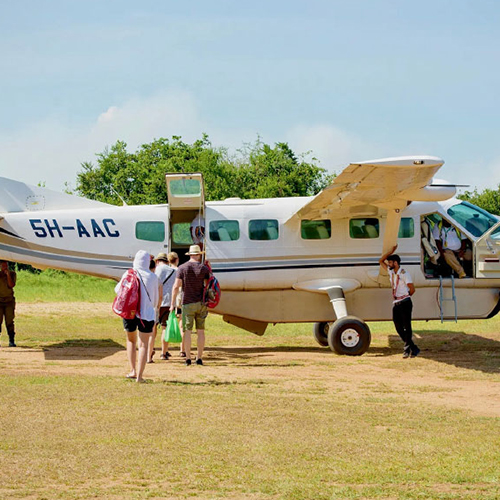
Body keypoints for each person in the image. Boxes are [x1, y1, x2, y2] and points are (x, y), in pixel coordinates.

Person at [115, 250, 159, 383]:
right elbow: (155, 299)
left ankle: (132, 370)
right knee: (143, 344)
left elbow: (117, 290)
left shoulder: (128, 273)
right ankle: (140, 376)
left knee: (131, 341)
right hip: (146, 314)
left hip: (129, 312)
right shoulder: (152, 277)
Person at [170, 244, 210, 366]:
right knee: (201, 331)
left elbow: (176, 286)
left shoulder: (182, 268)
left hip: (187, 302)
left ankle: (188, 358)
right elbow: (208, 285)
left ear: (190, 254)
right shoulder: (204, 269)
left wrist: (172, 304)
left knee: (187, 331)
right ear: (199, 255)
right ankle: (199, 358)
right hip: (201, 303)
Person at [379, 245, 420, 359]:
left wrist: (405, 297)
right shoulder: (391, 272)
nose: (389, 264)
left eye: (391, 262)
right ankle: (414, 347)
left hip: (405, 301)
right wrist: (390, 251)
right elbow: (380, 261)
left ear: (396, 263)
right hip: (396, 302)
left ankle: (407, 349)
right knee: (398, 326)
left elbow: (412, 289)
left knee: (407, 326)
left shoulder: (404, 273)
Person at [152, 252, 178, 361]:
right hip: (167, 302)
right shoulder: (173, 271)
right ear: (167, 261)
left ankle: (150, 351)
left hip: (155, 302)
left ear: (157, 261)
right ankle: (164, 352)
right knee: (164, 328)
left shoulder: (154, 271)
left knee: (152, 328)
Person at [0, 260, 17, 347]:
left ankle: (11, 340)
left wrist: (8, 275)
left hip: (9, 301)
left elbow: (11, 285)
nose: (4, 268)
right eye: (3, 266)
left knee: (9, 321)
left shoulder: (12, 274)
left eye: (6, 266)